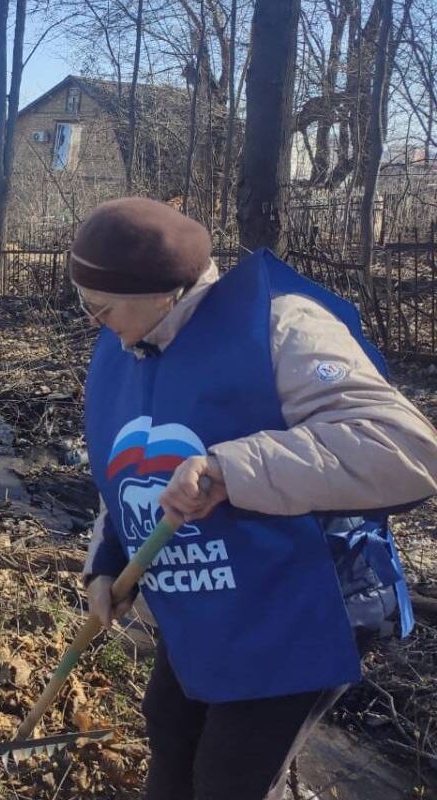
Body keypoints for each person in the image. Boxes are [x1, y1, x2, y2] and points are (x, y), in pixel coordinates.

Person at [73, 197, 437, 800]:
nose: (92, 320)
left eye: (100, 304)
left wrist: (230, 469)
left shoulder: (280, 328)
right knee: (168, 731)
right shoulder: (130, 346)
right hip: (208, 602)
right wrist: (105, 561)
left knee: (229, 779)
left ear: (160, 291)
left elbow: (407, 451)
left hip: (297, 605)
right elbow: (129, 468)